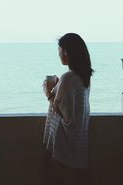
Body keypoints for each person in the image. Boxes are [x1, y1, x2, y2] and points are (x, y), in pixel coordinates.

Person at [42, 33, 93, 185]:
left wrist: (48, 92)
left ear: (66, 52)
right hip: (77, 145)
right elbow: (73, 106)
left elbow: (63, 112)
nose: (58, 53)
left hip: (63, 147)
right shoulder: (83, 77)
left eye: (59, 49)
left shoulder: (68, 78)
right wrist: (58, 87)